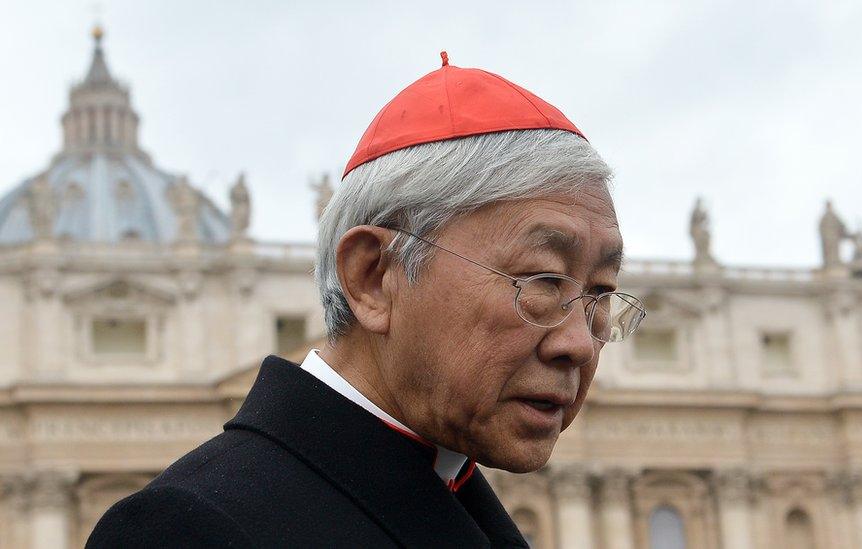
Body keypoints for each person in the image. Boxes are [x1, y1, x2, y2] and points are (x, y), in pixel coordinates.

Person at [87, 52, 645, 548]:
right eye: (543, 281)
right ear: (374, 278)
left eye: (599, 293)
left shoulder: (462, 495)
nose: (579, 344)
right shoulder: (187, 531)